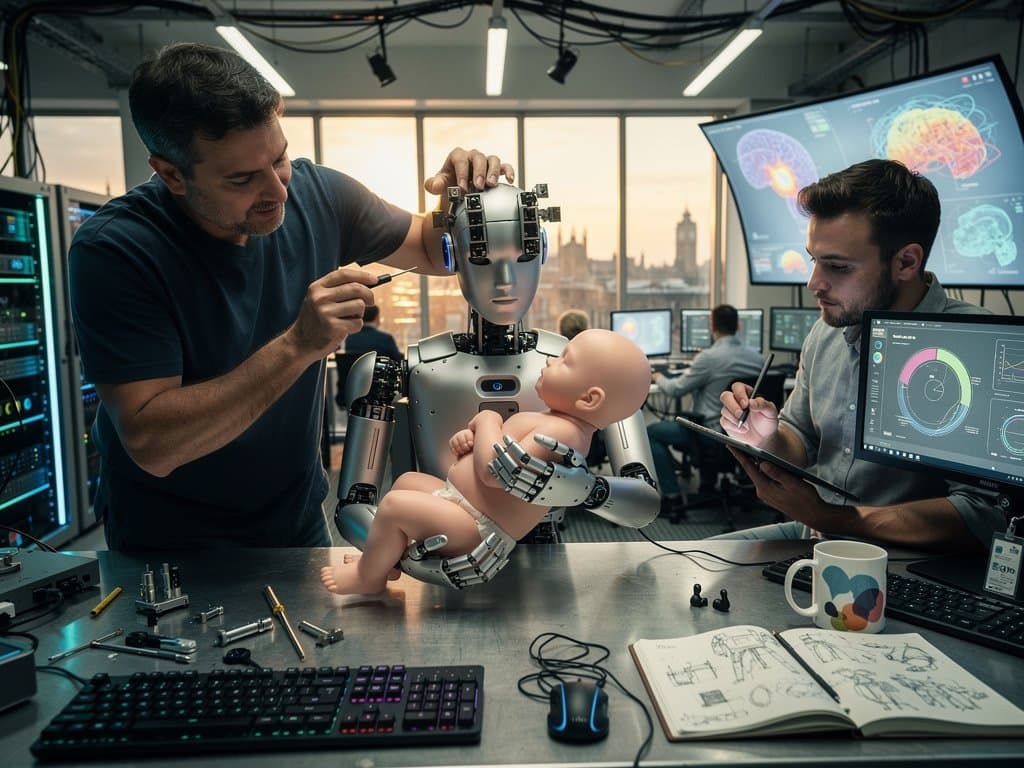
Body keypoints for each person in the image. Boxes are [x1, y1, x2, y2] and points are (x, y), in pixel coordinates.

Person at [68, 42, 513, 550]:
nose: (279, 192)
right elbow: (153, 445)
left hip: (295, 521)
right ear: (172, 174)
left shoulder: (318, 194)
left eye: (279, 159)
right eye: (242, 179)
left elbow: (434, 251)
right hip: (168, 542)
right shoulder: (117, 249)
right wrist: (298, 345)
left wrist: (463, 203)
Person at [718, 158, 999, 552]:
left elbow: (980, 513)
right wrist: (767, 437)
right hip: (817, 536)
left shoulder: (977, 346)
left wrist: (829, 517)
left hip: (905, 559)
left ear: (906, 262)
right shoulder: (826, 331)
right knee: (689, 564)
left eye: (837, 266)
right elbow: (800, 439)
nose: (814, 283)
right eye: (814, 260)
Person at [320, 329, 651, 594]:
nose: (550, 361)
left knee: (395, 506)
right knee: (407, 482)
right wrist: (472, 439)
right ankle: (383, 559)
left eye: (565, 361)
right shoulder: (555, 421)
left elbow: (496, 473)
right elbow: (495, 457)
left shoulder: (565, 434)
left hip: (478, 530)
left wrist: (488, 419)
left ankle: (368, 577)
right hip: (461, 504)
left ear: (589, 399)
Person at [648, 305, 765, 522]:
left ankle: (672, 497)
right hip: (744, 435)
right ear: (738, 326)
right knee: (708, 418)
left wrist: (657, 377)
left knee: (652, 433)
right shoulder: (757, 358)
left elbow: (675, 390)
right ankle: (707, 484)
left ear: (712, 326)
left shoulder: (709, 358)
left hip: (711, 434)